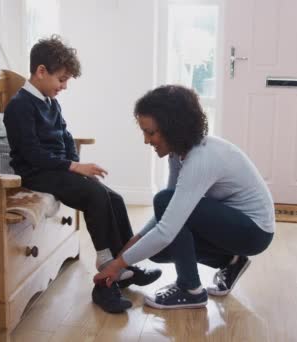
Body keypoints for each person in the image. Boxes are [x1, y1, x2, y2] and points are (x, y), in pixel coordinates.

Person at [3, 35, 161, 314]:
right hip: (35, 173)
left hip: (56, 169)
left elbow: (65, 136)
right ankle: (104, 282)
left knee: (114, 198)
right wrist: (74, 168)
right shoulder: (20, 106)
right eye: (61, 79)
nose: (63, 86)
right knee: (95, 195)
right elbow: (31, 153)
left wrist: (74, 164)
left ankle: (126, 266)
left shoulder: (50, 102)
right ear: (41, 71)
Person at [94, 85, 275, 309]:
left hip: (253, 231)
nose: (146, 140)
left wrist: (116, 265)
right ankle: (230, 261)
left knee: (163, 205)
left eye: (150, 132)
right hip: (232, 227)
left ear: (173, 129)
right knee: (159, 251)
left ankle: (190, 289)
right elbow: (169, 213)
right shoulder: (178, 153)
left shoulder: (201, 158)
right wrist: (131, 247)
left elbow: (167, 217)